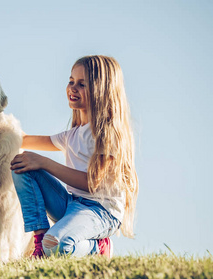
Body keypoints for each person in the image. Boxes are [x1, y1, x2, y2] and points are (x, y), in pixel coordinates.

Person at [10, 55, 138, 258]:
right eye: (71, 82)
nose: (72, 88)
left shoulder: (108, 134)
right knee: (20, 165)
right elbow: (23, 140)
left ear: (101, 90)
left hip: (101, 212)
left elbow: (91, 184)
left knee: (56, 246)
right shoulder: (73, 135)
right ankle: (40, 242)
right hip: (72, 204)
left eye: (81, 84)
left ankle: (99, 247)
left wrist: (43, 162)